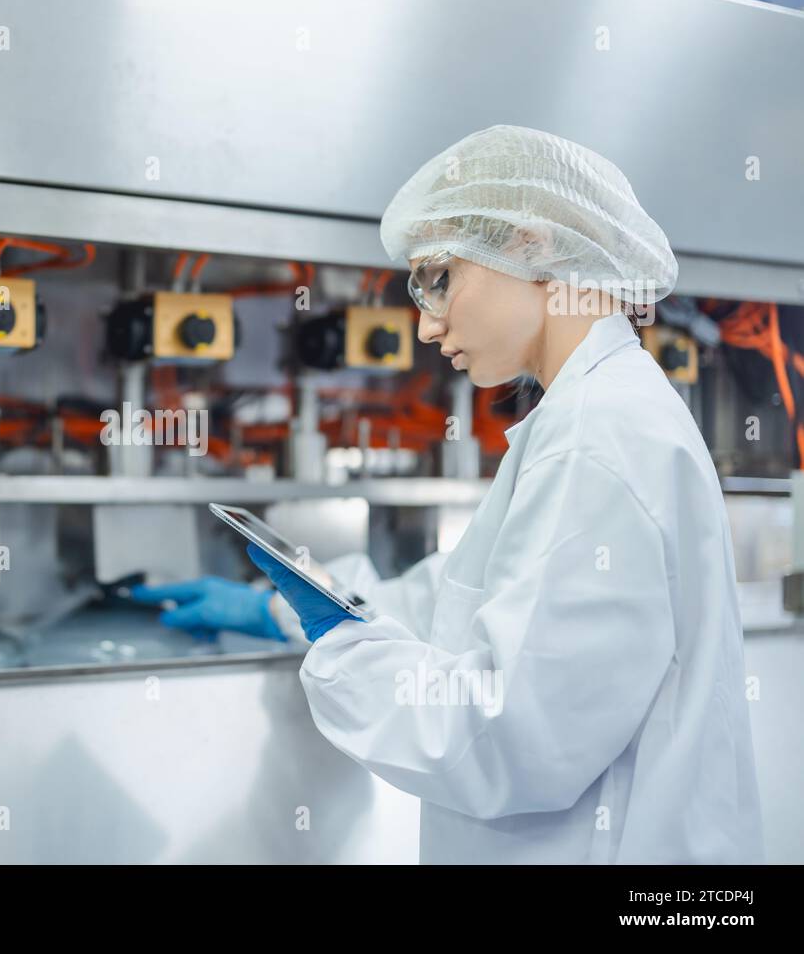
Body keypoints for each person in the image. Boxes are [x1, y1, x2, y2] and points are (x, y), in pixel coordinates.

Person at [131, 125, 763, 864]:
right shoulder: (591, 413)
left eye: (438, 279)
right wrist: (301, 606)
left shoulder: (601, 435)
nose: (426, 324)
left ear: (532, 246)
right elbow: (473, 600)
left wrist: (344, 651)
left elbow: (513, 737)